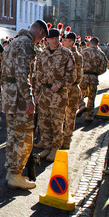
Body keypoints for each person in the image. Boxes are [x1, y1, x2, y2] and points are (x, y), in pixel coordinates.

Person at [0, 20, 48, 190]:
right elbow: (22, 74)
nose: (40, 42)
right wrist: (28, 99)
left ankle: (11, 171)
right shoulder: (26, 44)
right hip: (19, 98)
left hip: (10, 95)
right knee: (24, 137)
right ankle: (15, 174)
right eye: (42, 38)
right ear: (41, 32)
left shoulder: (15, 42)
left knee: (13, 134)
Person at [35, 26, 76, 162]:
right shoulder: (42, 54)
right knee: (44, 121)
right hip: (44, 93)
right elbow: (37, 75)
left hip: (58, 94)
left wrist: (59, 84)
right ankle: (47, 146)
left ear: (59, 38)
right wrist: (35, 93)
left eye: (56, 38)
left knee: (57, 122)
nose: (54, 40)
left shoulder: (66, 53)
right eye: (51, 38)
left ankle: (55, 148)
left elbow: (72, 75)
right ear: (46, 40)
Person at [61, 27, 83, 150]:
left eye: (65, 40)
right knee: (62, 116)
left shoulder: (75, 55)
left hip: (72, 89)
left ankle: (67, 140)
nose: (62, 42)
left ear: (71, 42)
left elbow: (75, 76)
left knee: (69, 116)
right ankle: (61, 138)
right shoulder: (64, 53)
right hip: (64, 89)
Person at [79, 37, 108, 122]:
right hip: (94, 77)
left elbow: (78, 63)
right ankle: (89, 115)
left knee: (79, 93)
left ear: (90, 42)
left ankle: (81, 105)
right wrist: (97, 73)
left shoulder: (84, 52)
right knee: (91, 97)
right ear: (97, 44)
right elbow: (104, 67)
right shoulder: (101, 54)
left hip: (84, 75)